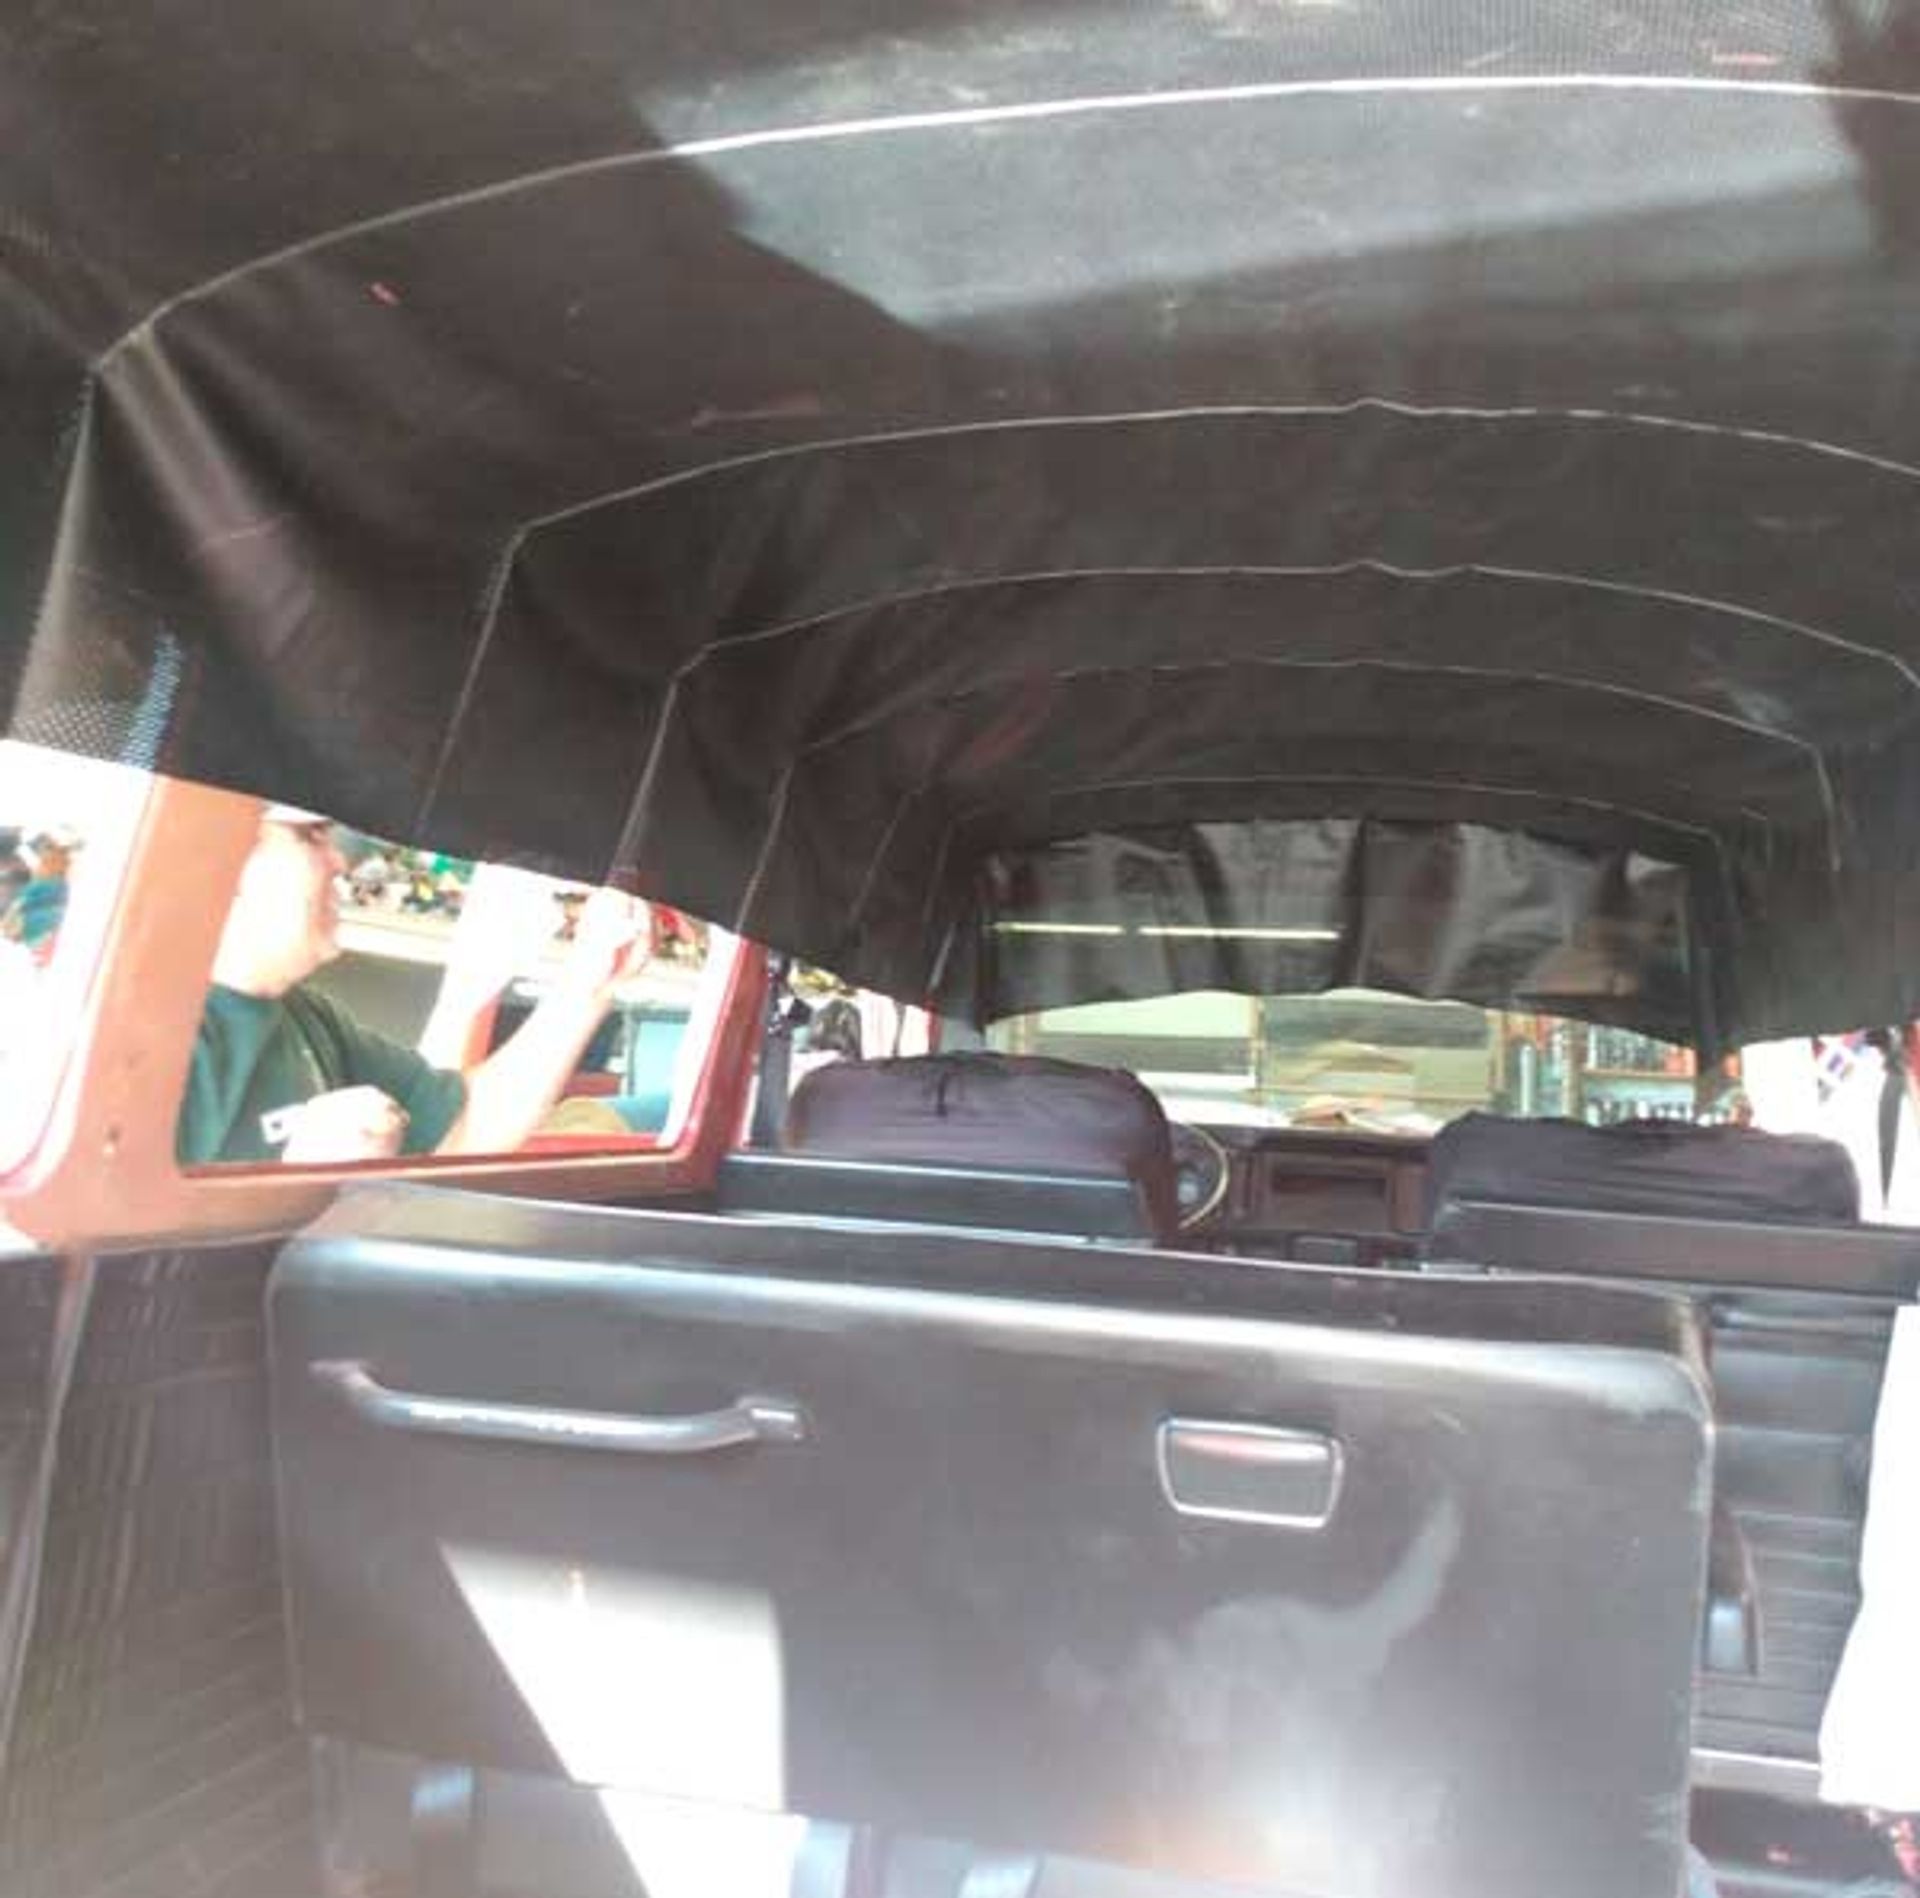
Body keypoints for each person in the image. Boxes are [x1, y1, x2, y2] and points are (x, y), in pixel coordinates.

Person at [176, 805, 648, 1165]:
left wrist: (591, 978)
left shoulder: (308, 1019)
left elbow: (467, 1126)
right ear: (227, 859)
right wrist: (297, 1180)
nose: (339, 860)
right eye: (311, 836)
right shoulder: (153, 1045)